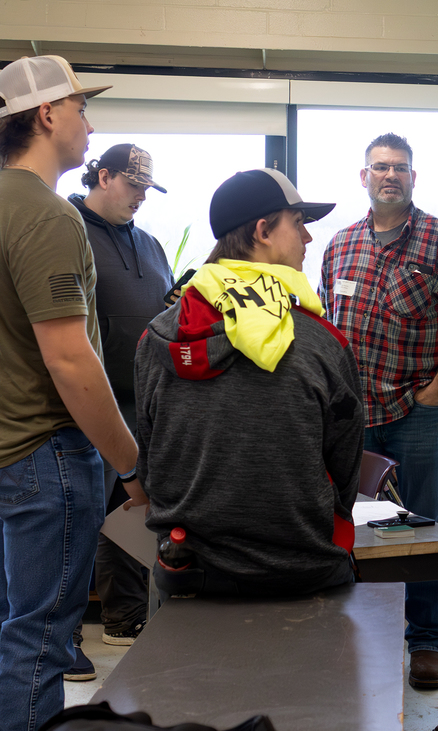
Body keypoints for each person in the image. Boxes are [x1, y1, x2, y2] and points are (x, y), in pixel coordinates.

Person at [0, 55, 146, 731]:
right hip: (42, 454)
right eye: (82, 107)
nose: (91, 122)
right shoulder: (46, 214)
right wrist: (130, 464)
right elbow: (69, 359)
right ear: (48, 114)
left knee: (2, 620)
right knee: (41, 642)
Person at [135, 168, 363, 599]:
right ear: (263, 231)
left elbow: (151, 458)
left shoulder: (156, 339)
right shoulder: (321, 343)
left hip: (187, 574)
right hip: (305, 574)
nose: (308, 240)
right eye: (298, 225)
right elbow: (345, 469)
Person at [319, 133, 438, 690]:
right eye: (380, 167)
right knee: (348, 524)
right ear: (363, 177)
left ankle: (424, 642)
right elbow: (325, 328)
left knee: (422, 527)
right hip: (353, 416)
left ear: (414, 177)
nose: (390, 175)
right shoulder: (340, 245)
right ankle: (360, 629)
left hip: (418, 412)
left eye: (400, 167)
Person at [64, 143, 173, 679]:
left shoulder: (149, 243)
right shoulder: (67, 230)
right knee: (79, 522)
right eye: (133, 186)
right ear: (102, 177)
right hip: (85, 405)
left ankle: (125, 618)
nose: (141, 197)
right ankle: (58, 641)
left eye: (147, 189)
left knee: (131, 516)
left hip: (145, 403)